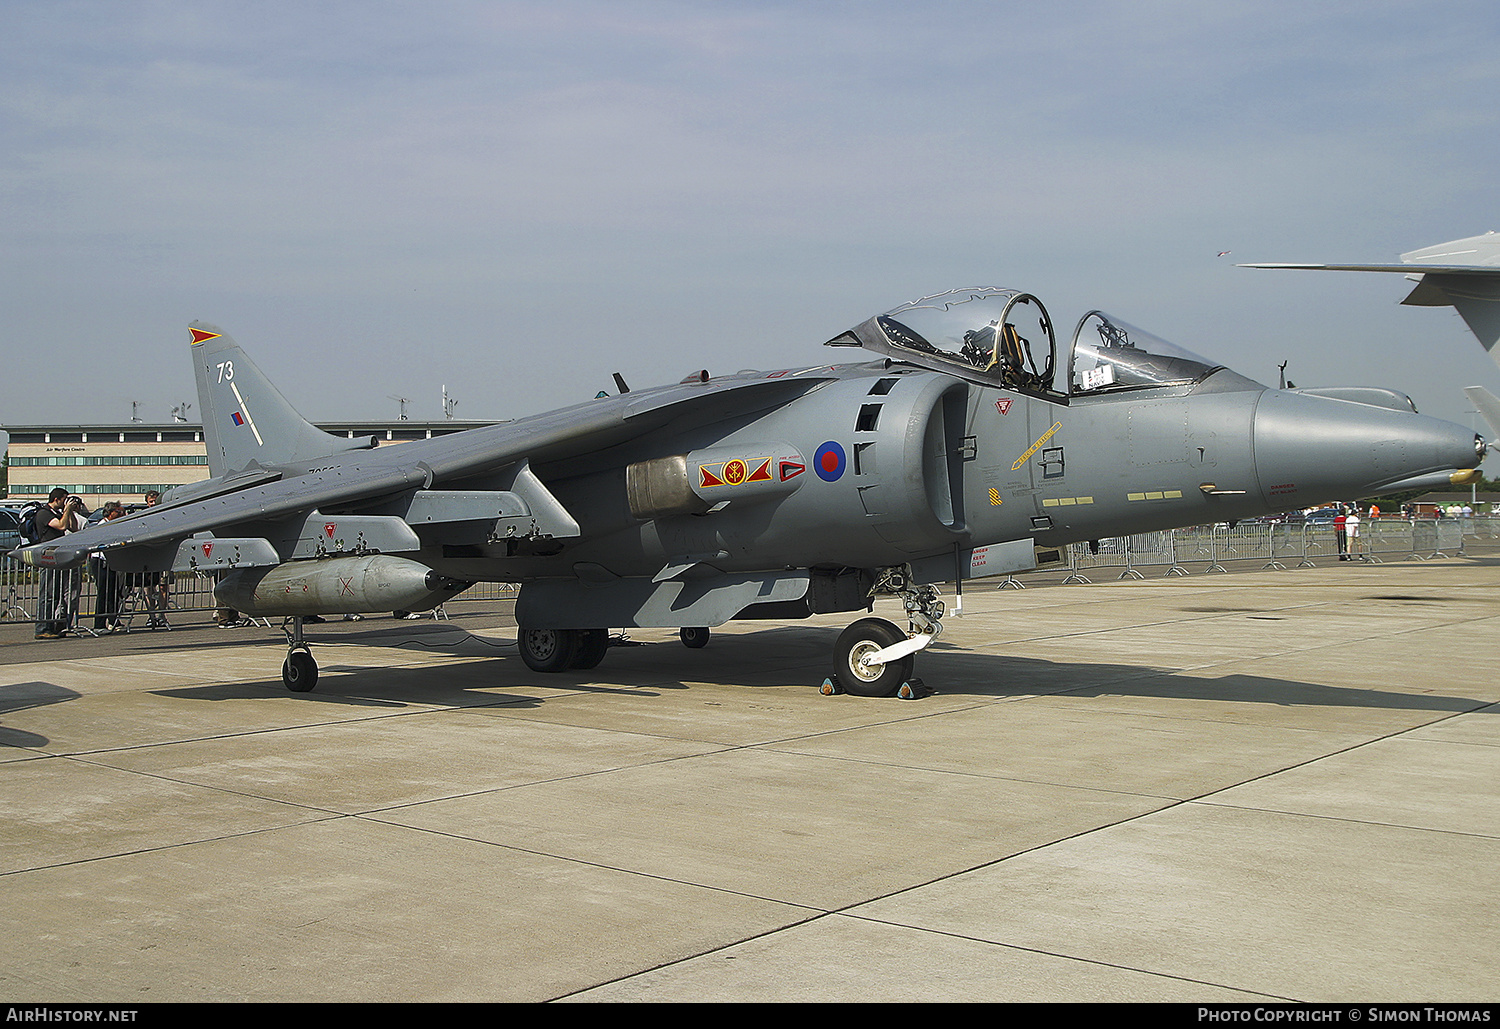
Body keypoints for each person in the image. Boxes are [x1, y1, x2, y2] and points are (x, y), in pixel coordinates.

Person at [34, 488, 86, 639]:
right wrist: (67, 510)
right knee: (48, 594)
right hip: (47, 557)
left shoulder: (59, 513)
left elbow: (73, 528)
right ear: (56, 499)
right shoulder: (44, 513)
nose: (66, 502)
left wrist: (70, 512)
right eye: (65, 499)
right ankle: (42, 627)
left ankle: (52, 627)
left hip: (57, 558)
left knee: (56, 595)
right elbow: (61, 526)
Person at [89, 501, 127, 633]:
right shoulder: (102, 526)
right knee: (103, 593)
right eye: (119, 512)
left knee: (114, 592)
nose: (122, 514)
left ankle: (113, 620)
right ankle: (99, 624)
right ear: (110, 513)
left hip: (111, 562)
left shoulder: (116, 525)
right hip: (100, 561)